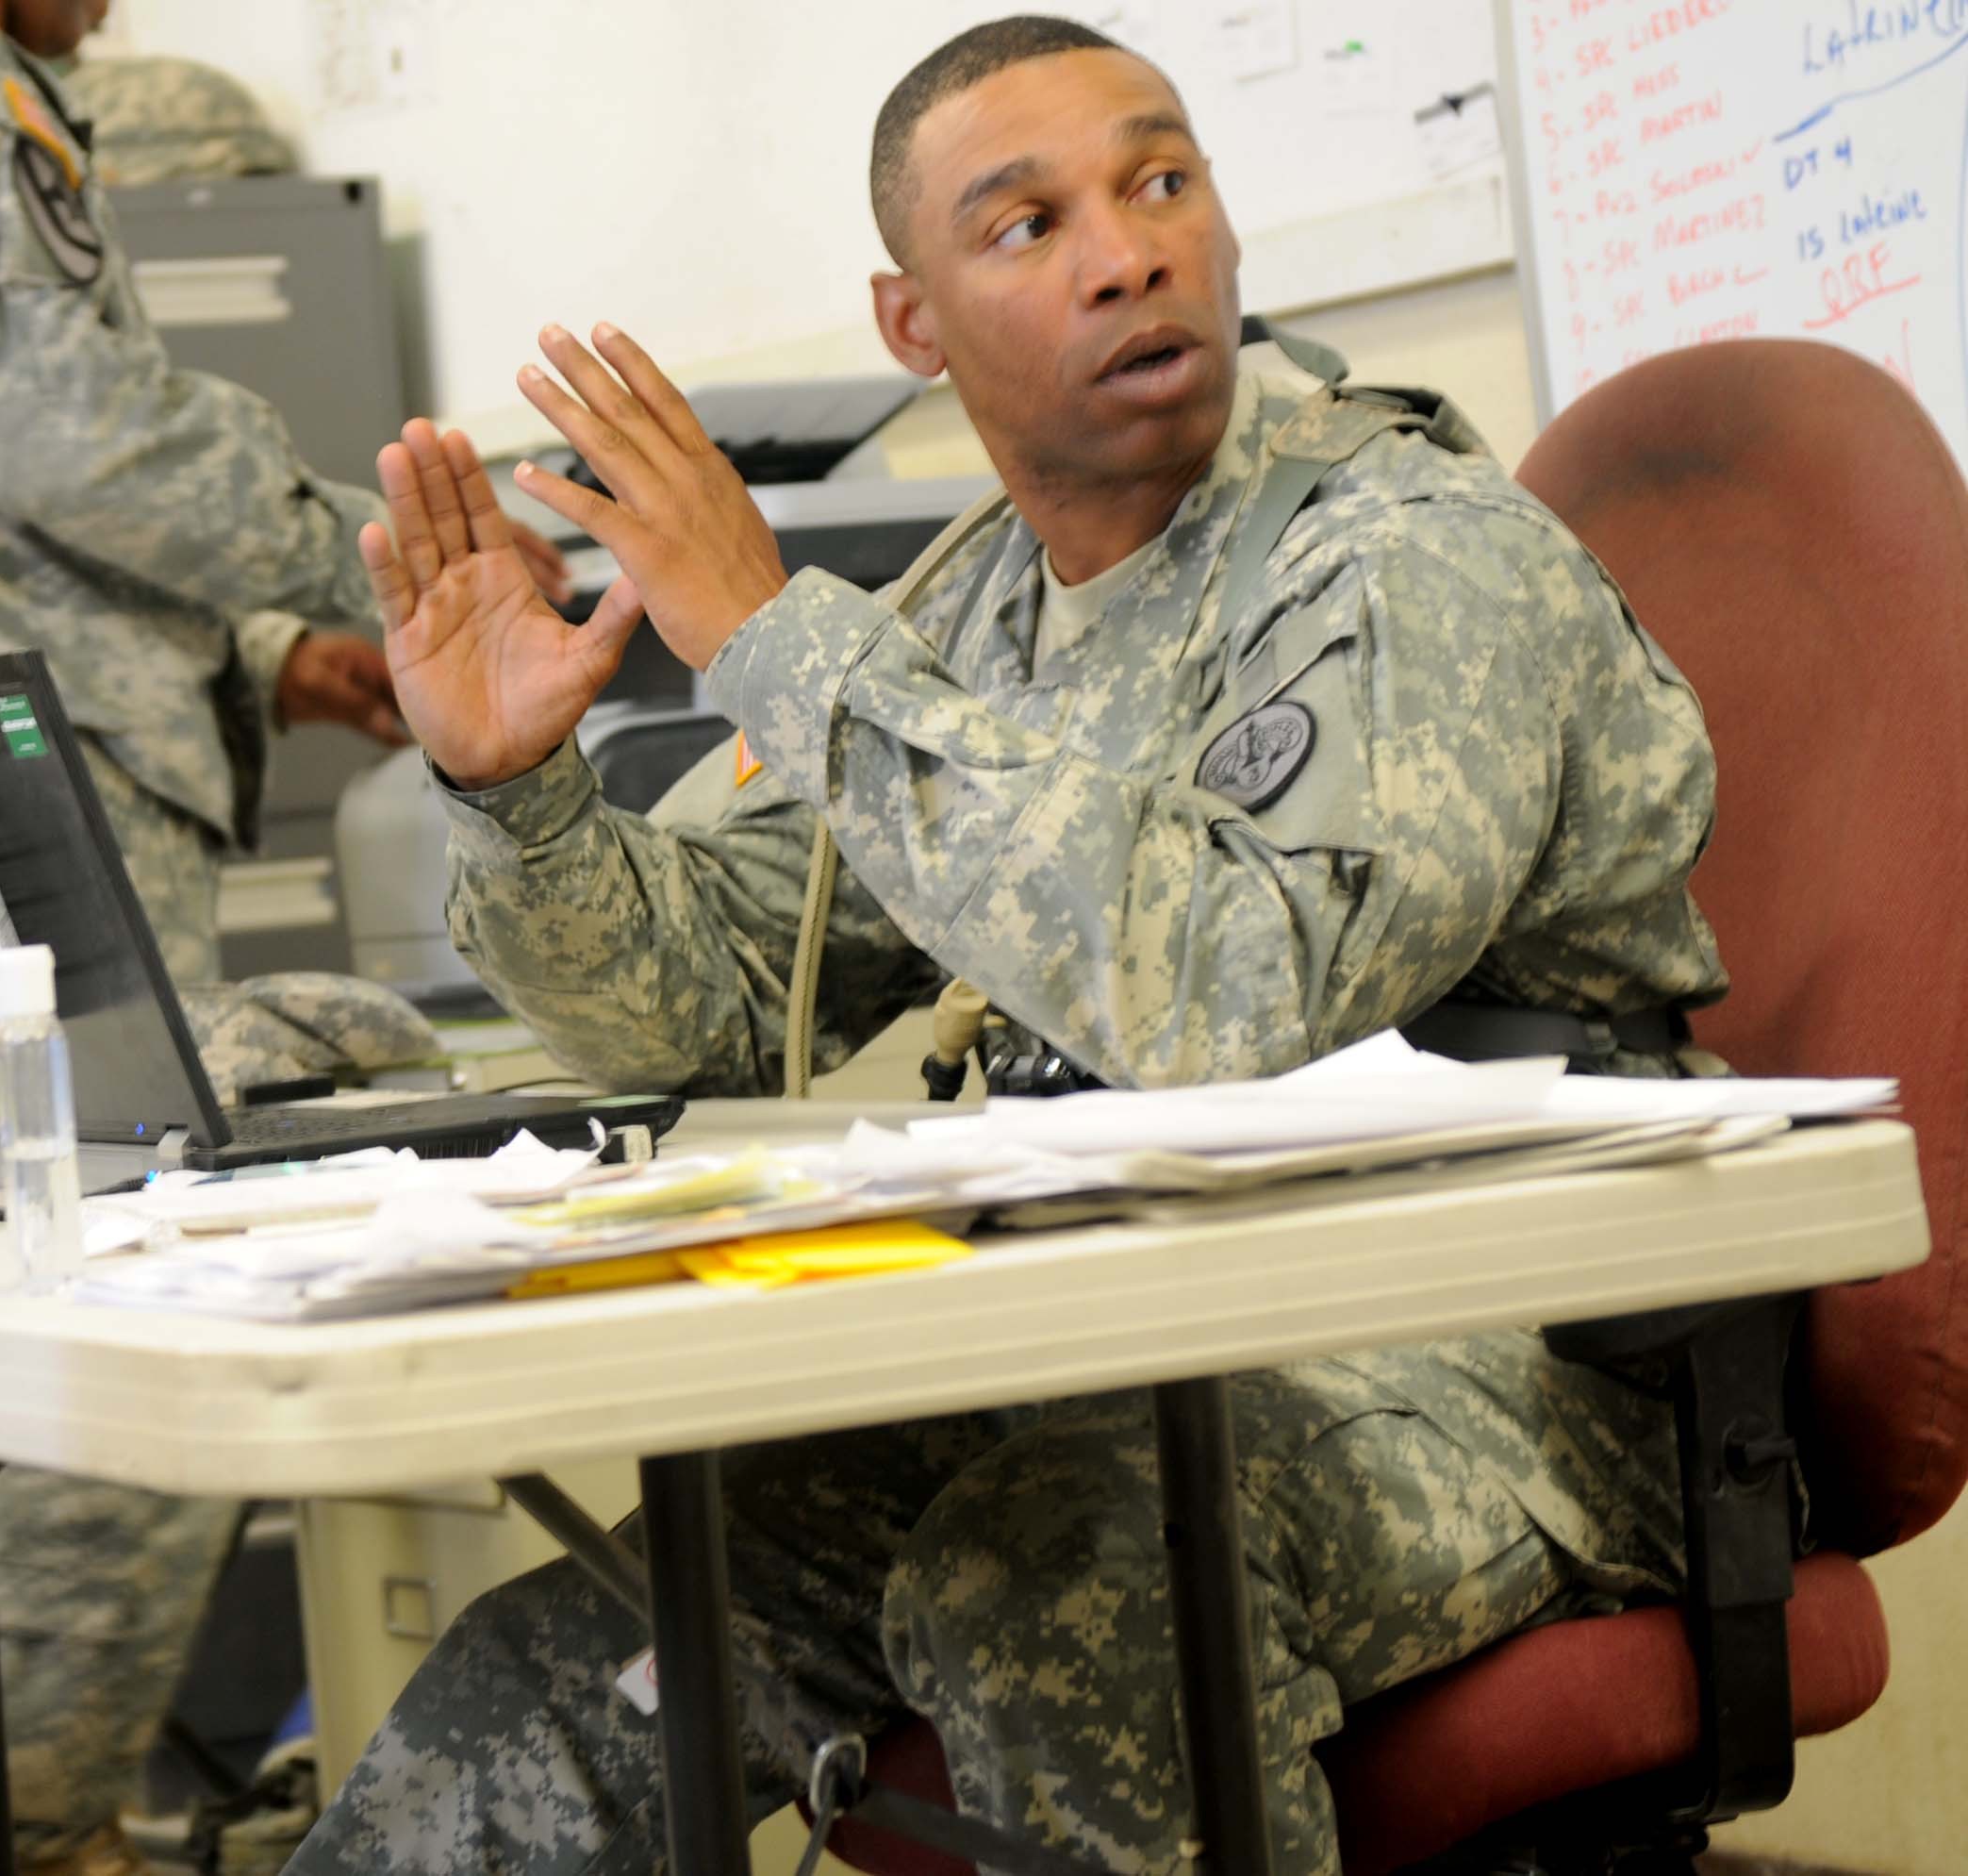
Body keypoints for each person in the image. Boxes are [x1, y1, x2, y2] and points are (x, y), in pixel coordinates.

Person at [290, 16, 1726, 1874]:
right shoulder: (967, 608)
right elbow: (732, 994)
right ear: (914, 326)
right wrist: (521, 796)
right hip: (1135, 1335)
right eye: (1028, 221)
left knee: (1050, 1568)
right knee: (567, 1661)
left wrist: (772, 633)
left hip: (1508, 1351)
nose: (1128, 249)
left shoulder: (1415, 553)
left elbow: (1236, 992)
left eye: (1159, 181)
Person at [0, 4, 565, 1869]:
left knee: (65, 1305)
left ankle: (16, 1822)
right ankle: (33, 1831)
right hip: (5, 767)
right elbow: (36, 418)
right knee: (112, 1353)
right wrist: (395, 548)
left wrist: (254, 662)